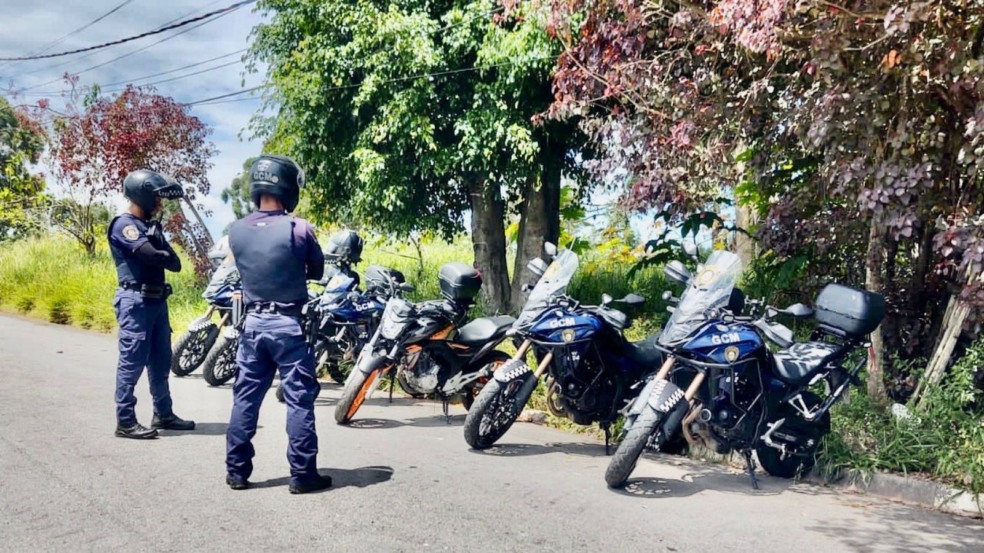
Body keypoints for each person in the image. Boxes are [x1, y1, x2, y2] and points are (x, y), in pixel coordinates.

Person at [225, 155, 330, 494]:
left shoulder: (236, 231)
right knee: (299, 399)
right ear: (286, 186)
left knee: (246, 399)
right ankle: (302, 475)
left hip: (253, 324)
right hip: (287, 326)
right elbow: (316, 271)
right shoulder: (298, 228)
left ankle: (237, 472)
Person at [108, 170, 196, 439]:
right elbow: (152, 256)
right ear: (142, 195)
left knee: (160, 361)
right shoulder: (125, 225)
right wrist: (159, 248)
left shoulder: (149, 228)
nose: (159, 203)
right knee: (132, 362)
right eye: (156, 197)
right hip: (136, 301)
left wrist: (159, 248)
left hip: (157, 300)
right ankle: (125, 421)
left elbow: (176, 264)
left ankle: (164, 414)